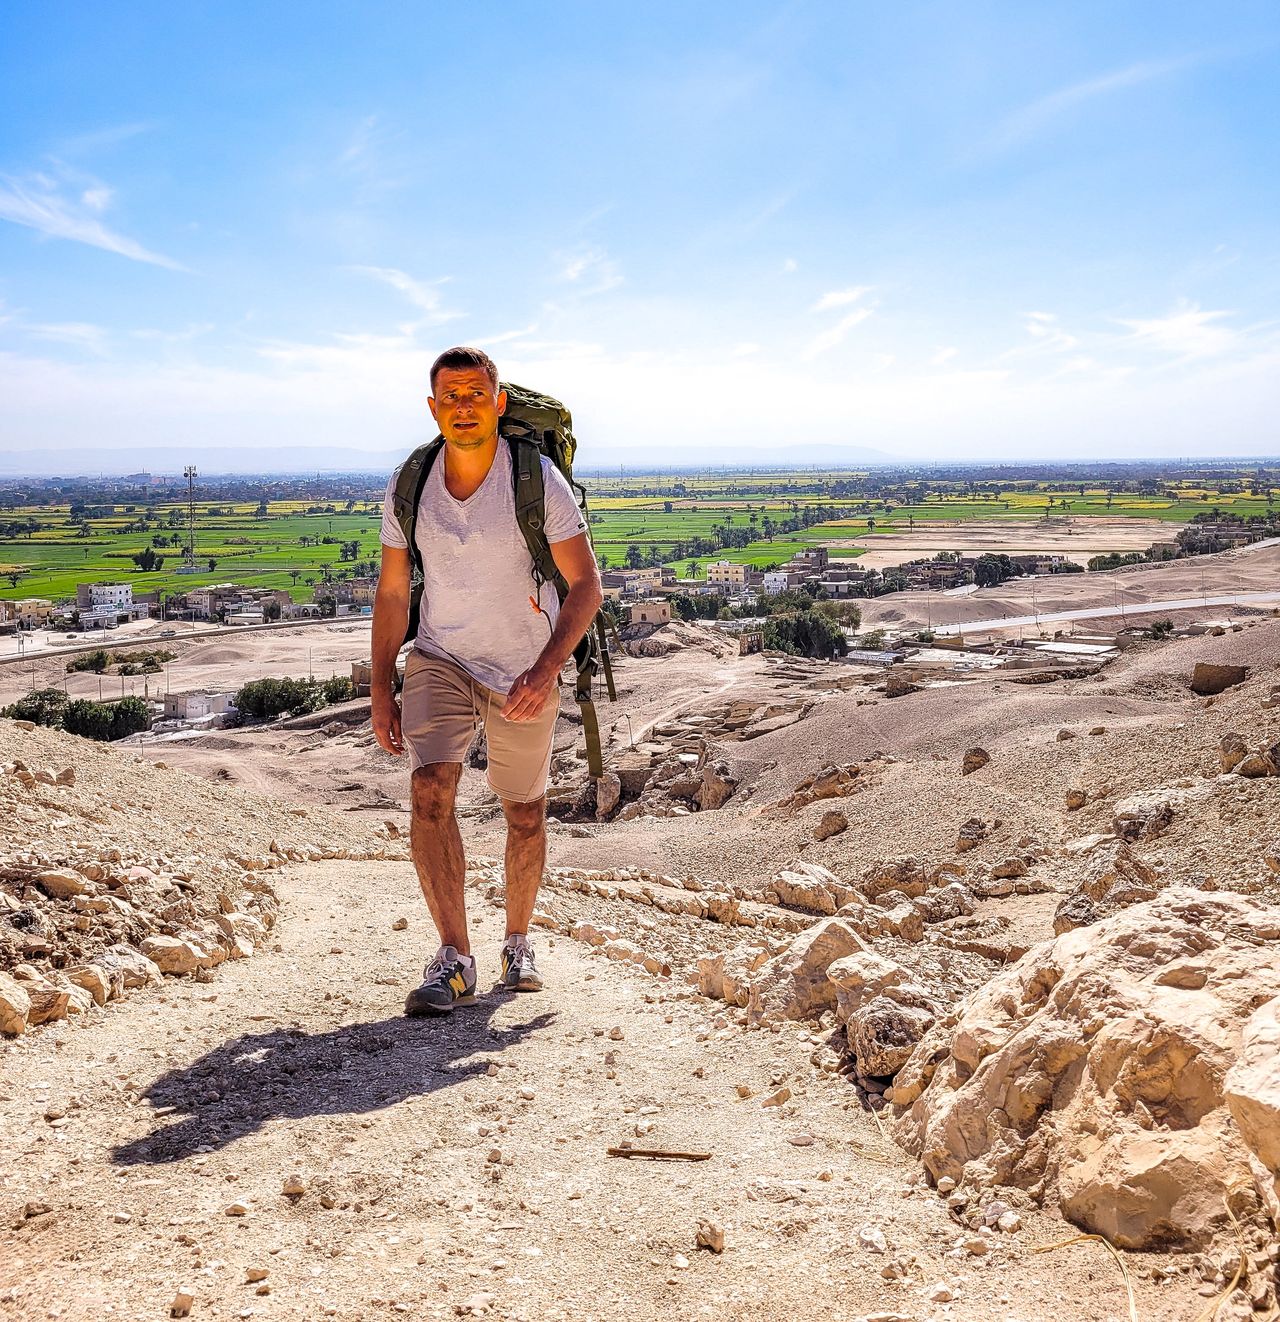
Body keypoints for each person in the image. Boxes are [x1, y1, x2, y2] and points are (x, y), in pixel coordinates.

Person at [372, 346, 603, 1016]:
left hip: (523, 667)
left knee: (524, 811)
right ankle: (454, 959)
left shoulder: (536, 482)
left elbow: (587, 586)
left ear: (499, 404)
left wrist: (546, 668)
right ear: (433, 407)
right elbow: (392, 594)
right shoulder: (410, 482)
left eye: (477, 395)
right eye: (452, 396)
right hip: (441, 656)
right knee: (429, 788)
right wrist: (382, 685)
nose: (464, 407)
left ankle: (518, 942)